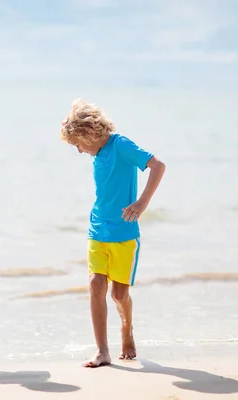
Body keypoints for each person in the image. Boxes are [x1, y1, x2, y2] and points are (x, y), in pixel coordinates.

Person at [59, 99, 166, 368]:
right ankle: (102, 350)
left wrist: (142, 203)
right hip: (97, 229)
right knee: (96, 284)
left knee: (119, 295)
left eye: (78, 145)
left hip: (124, 233)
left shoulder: (121, 145)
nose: (80, 151)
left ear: (88, 134)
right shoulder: (98, 153)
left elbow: (158, 166)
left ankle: (127, 329)